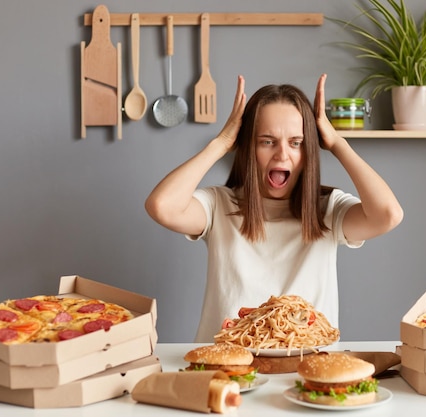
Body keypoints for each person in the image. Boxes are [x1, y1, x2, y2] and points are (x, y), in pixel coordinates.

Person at [145, 74, 403, 342]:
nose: (282, 154)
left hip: (306, 368)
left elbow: (388, 214)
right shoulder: (218, 206)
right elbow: (162, 206)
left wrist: (337, 144)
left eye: (296, 143)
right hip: (225, 369)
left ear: (309, 152)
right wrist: (221, 143)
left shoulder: (330, 210)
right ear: (247, 148)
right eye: (267, 141)